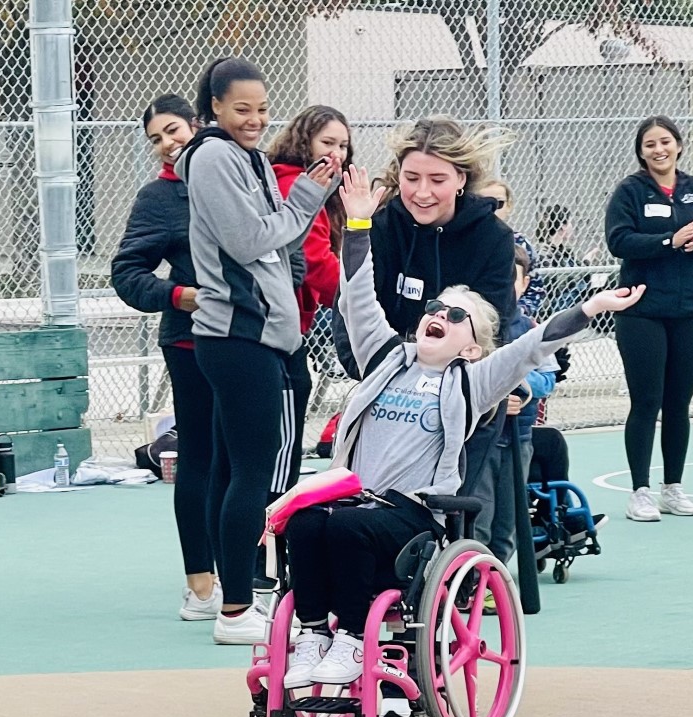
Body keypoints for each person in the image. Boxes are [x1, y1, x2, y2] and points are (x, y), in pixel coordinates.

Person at [285, 166, 644, 686]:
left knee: (342, 524)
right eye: (437, 308)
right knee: (307, 520)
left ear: (473, 347)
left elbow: (532, 347)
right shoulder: (385, 355)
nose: (441, 315)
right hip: (353, 500)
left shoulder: (471, 382)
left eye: (458, 317)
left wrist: (593, 307)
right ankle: (315, 633)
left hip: (410, 518)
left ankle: (350, 641)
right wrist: (358, 224)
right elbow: (358, 296)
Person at [175, 57, 339, 644]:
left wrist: (303, 198)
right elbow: (252, 239)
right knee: (250, 471)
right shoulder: (216, 157)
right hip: (238, 336)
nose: (255, 120)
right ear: (215, 107)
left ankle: (233, 599)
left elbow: (279, 232)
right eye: (242, 109)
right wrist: (310, 195)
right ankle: (237, 611)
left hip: (254, 336)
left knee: (230, 469)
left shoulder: (245, 157)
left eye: (263, 110)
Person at [111, 94, 219, 622]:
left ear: (198, 126)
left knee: (249, 460)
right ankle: (201, 585)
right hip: (190, 343)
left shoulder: (242, 178)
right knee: (200, 454)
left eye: (174, 130)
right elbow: (127, 274)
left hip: (252, 341)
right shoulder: (157, 198)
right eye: (156, 138)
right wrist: (182, 295)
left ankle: (251, 578)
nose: (168, 143)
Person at [604, 114, 693, 522]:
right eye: (650, 145)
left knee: (679, 404)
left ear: (678, 144)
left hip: (689, 311)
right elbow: (619, 240)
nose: (659, 150)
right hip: (641, 312)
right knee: (647, 401)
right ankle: (639, 490)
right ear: (641, 152)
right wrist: (667, 241)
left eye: (665, 142)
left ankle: (672, 488)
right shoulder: (630, 191)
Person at [331, 116, 517, 379]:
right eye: (412, 178)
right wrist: (403, 378)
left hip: (462, 385)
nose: (422, 192)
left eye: (438, 180)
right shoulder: (380, 230)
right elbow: (350, 320)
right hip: (387, 381)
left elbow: (493, 332)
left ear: (460, 179)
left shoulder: (493, 238)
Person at [267, 105, 354, 497]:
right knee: (279, 449)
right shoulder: (296, 184)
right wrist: (360, 298)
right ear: (305, 142)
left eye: (343, 145)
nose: (336, 153)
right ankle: (269, 541)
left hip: (291, 322)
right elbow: (317, 260)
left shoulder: (322, 188)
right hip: (278, 329)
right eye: (327, 143)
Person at [473, 244, 558, 566]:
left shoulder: (532, 328)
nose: (506, 285)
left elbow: (547, 378)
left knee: (507, 516)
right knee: (479, 511)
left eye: (514, 278)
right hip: (481, 439)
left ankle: (496, 579)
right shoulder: (475, 326)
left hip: (518, 439)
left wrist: (519, 385)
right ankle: (471, 578)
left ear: (525, 283)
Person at [478, 178, 544, 318]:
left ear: (509, 206)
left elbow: (536, 288)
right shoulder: (463, 240)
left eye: (499, 203)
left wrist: (518, 314)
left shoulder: (520, 243)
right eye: (482, 202)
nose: (491, 208)